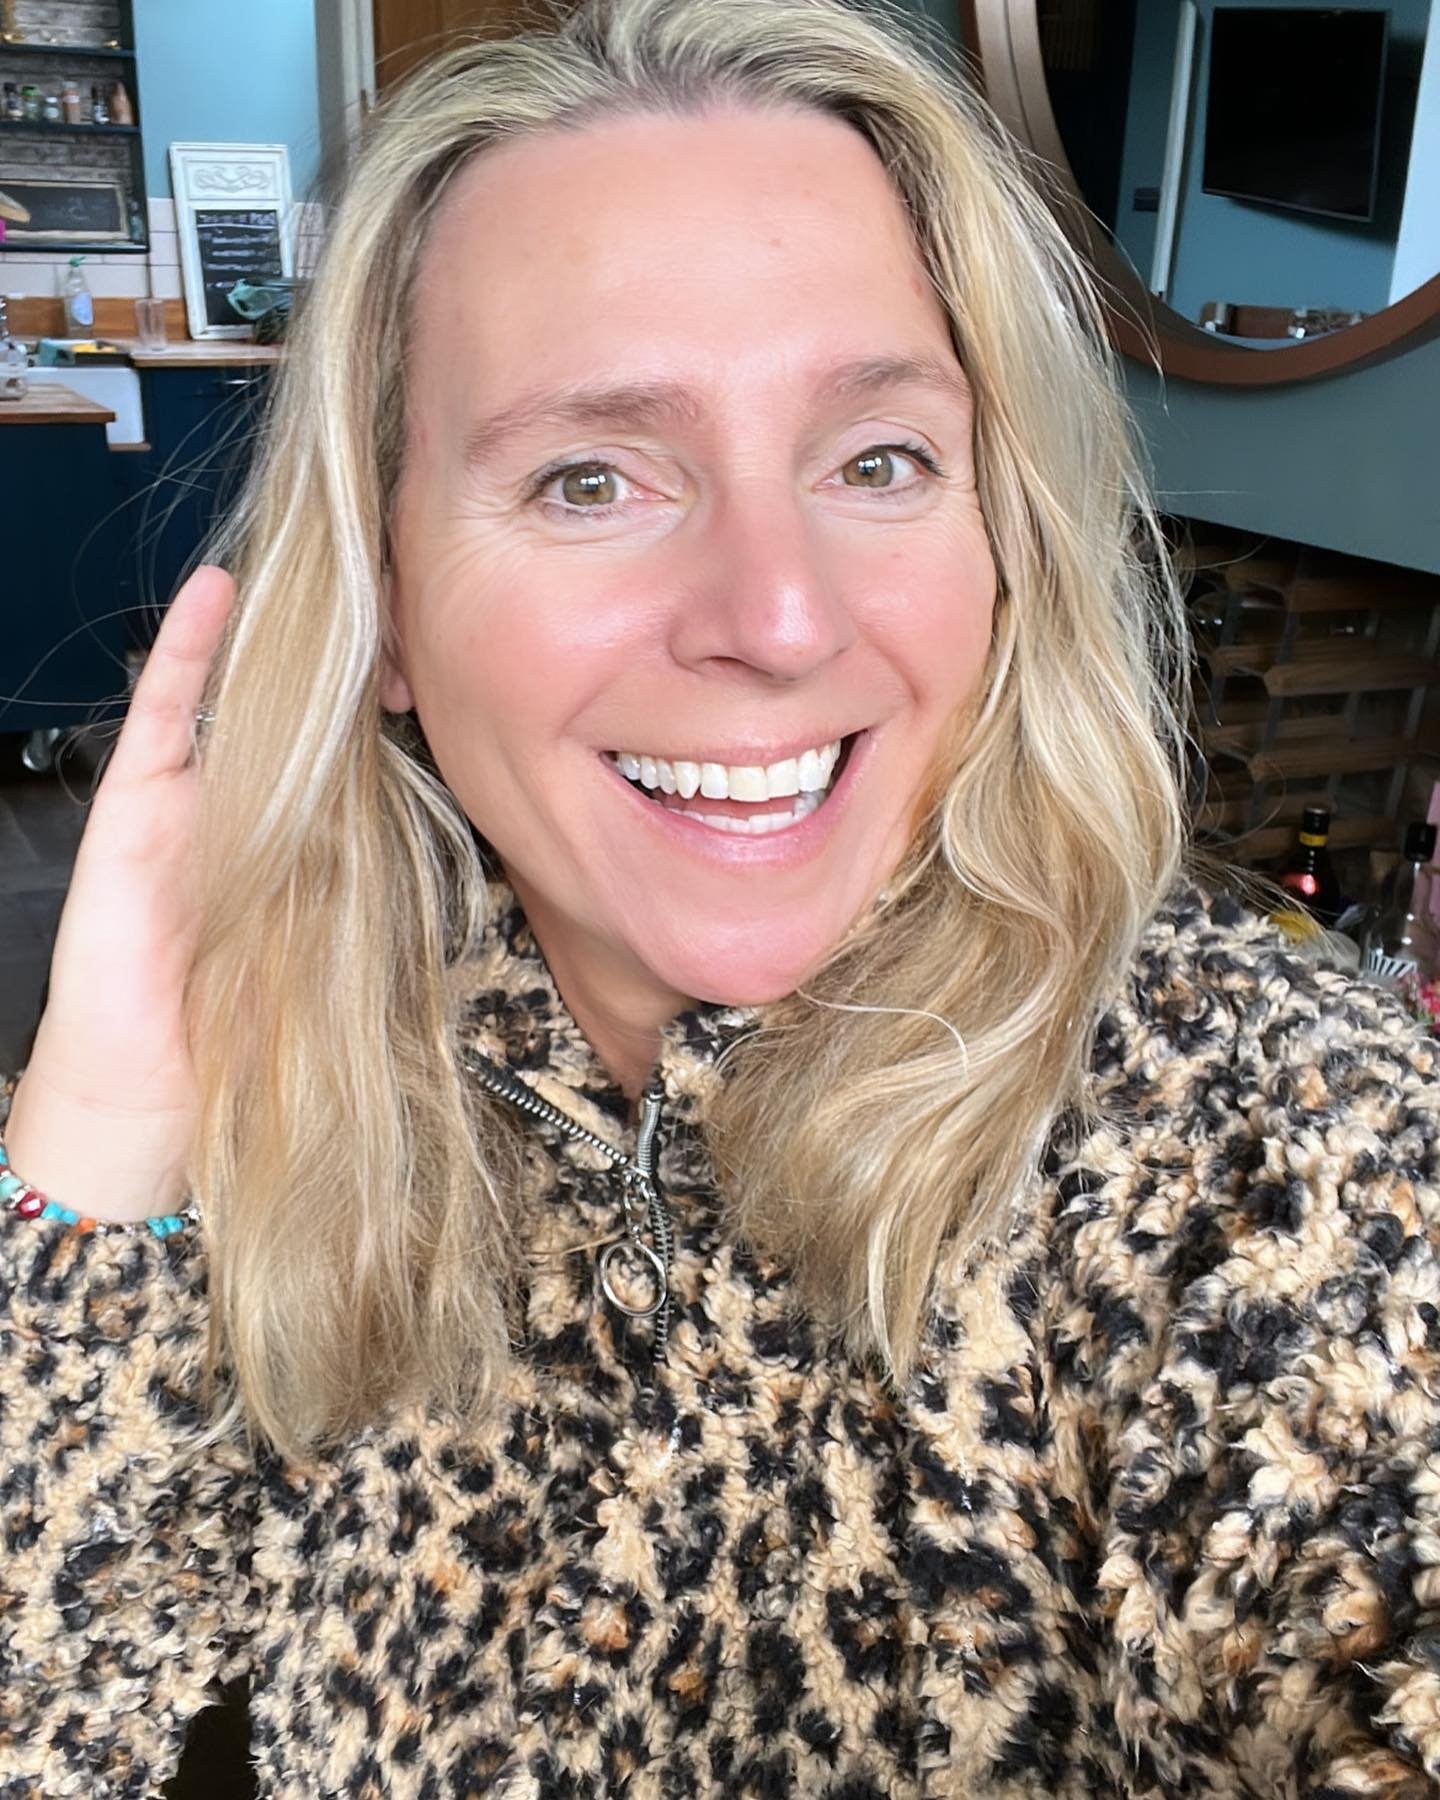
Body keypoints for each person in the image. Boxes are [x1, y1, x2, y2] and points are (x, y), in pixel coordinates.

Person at [2, 0, 1437, 1793]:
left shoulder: (1261, 1154)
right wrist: (104, 1133)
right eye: (591, 478)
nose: (778, 616)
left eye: (879, 459)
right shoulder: (328, 1060)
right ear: (382, 600)